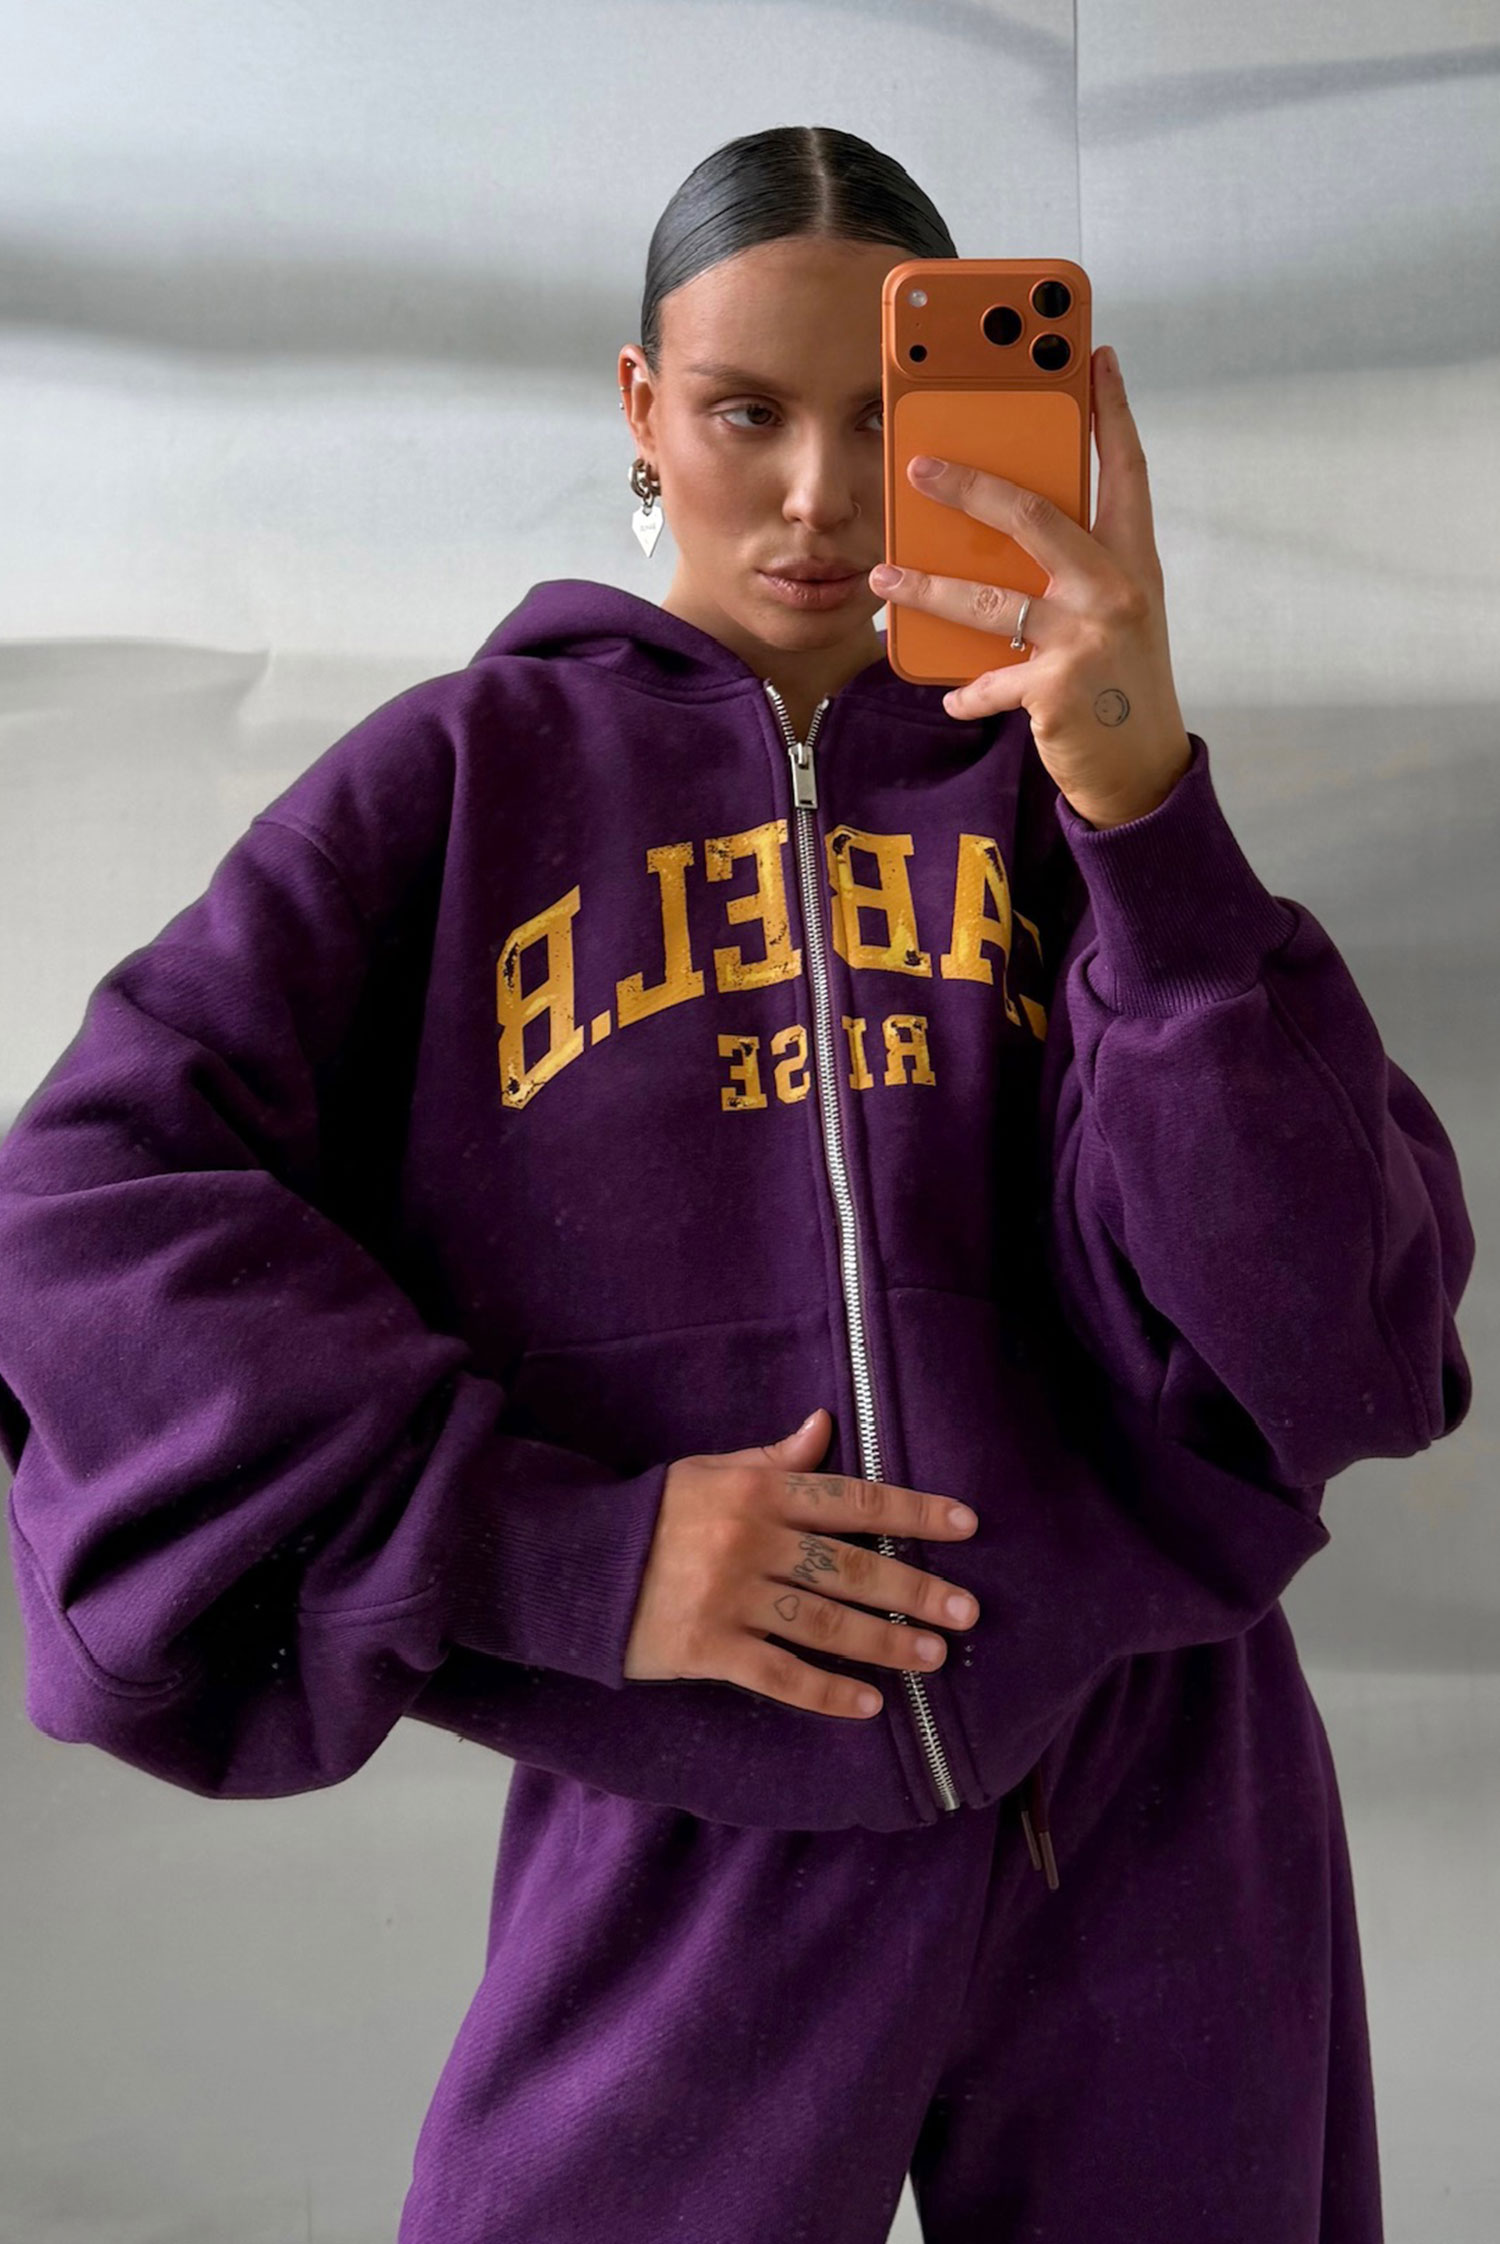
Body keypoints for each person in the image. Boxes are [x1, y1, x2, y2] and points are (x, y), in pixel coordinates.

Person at [0, 123, 1475, 2244]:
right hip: (701, 1790)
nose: (817, 495)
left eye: (886, 421)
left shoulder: (1068, 789)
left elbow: (1343, 1341)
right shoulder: (460, 781)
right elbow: (81, 1214)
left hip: (1159, 1772)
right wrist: (559, 1553)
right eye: (746, 413)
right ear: (640, 407)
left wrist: (1142, 804)